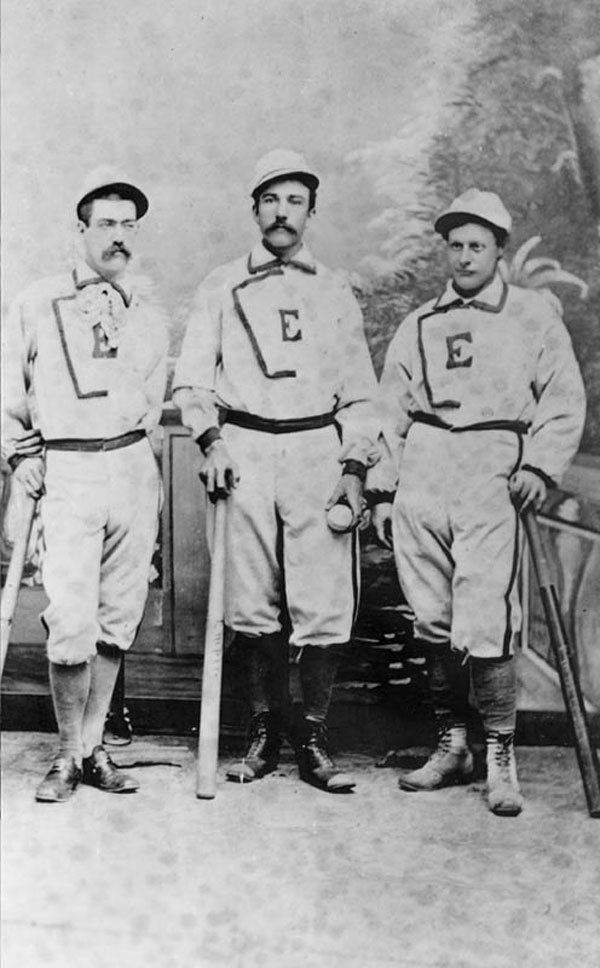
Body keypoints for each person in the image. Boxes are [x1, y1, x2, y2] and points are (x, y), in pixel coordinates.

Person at [370, 188, 586, 815]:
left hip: (492, 468)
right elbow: (391, 412)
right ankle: (453, 743)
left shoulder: (531, 316)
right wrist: (384, 490)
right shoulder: (420, 324)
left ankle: (499, 753)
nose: (464, 257)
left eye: (477, 245)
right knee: (433, 618)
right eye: (456, 245)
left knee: (485, 618)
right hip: (425, 468)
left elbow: (562, 399)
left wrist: (539, 468)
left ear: (499, 251)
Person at [173, 149, 379, 793]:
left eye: (294, 201)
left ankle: (312, 738)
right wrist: (211, 442)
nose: (282, 212)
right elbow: (192, 382)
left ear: (311, 212)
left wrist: (352, 469)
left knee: (322, 603)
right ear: (254, 210)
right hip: (246, 452)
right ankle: (264, 732)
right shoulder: (221, 285)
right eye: (270, 199)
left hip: (318, 449)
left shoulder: (333, 288)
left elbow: (362, 393)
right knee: (250, 603)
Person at [1, 166, 168, 802]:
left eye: (129, 225)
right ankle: (65, 753)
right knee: (70, 616)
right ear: (81, 229)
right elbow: (9, 385)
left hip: (129, 466)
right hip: (66, 469)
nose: (119, 236)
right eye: (107, 223)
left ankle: (95, 748)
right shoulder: (36, 301)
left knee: (117, 615)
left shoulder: (147, 313)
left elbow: (149, 399)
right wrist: (22, 456)